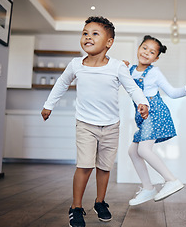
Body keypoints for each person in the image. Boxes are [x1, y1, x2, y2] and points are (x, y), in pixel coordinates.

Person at [41, 16, 149, 227]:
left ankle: (100, 202)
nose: (88, 37)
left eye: (94, 34)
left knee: (105, 167)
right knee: (84, 166)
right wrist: (48, 105)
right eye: (85, 33)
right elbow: (61, 84)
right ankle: (76, 207)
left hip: (111, 125)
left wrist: (142, 103)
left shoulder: (117, 66)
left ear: (109, 42)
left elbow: (133, 88)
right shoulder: (76, 65)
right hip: (85, 124)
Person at [126, 35, 186, 206]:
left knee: (143, 150)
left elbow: (172, 93)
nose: (146, 53)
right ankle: (148, 188)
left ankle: (171, 180)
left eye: (151, 52)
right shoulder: (128, 69)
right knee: (133, 151)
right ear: (138, 48)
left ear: (156, 58)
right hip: (142, 117)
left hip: (155, 113)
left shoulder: (154, 72)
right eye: (144, 48)